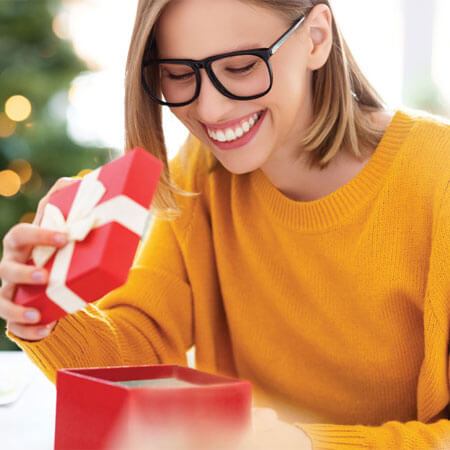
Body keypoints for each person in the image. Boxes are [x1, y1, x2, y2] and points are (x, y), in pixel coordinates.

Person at [0, 0, 449, 448]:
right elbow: (139, 362)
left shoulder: (437, 176)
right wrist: (43, 310)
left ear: (316, 38)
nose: (211, 110)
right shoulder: (201, 174)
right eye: (178, 75)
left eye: (241, 67)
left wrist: (302, 444)